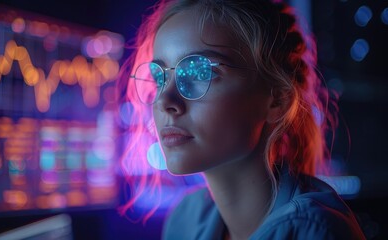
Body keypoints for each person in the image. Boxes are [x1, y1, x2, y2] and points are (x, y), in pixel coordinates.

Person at [118, 0, 366, 239]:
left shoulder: (314, 232)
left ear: (277, 100)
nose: (164, 101)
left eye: (200, 73)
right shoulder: (185, 220)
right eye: (159, 77)